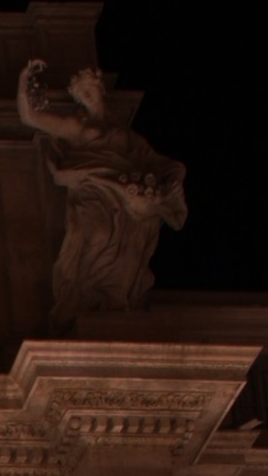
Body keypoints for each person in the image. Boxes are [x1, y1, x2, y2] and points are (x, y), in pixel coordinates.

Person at [17, 60, 186, 329]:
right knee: (94, 233)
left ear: (100, 90)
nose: (87, 97)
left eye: (90, 90)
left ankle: (112, 301)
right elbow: (30, 116)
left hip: (126, 195)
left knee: (126, 248)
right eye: (82, 94)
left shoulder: (126, 134)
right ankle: (84, 297)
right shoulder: (77, 126)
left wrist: (163, 186)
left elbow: (153, 162)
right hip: (94, 189)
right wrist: (25, 79)